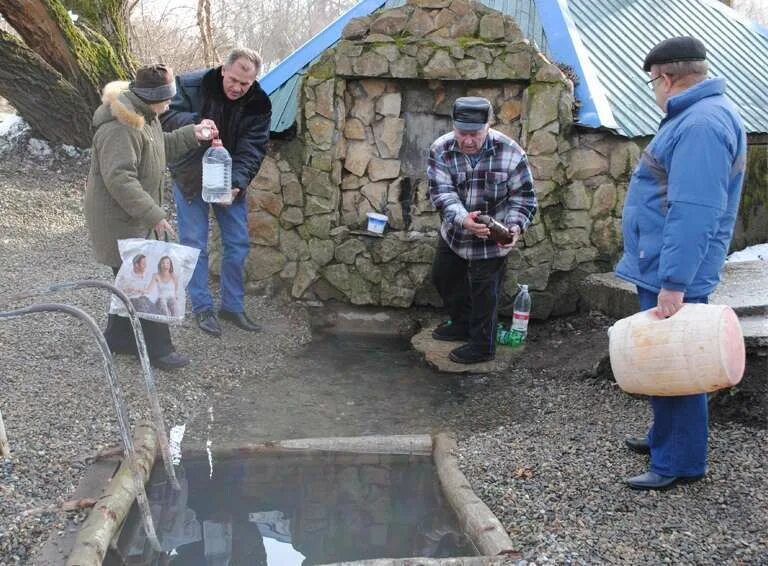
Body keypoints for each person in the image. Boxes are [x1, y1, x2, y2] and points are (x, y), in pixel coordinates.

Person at [616, 37, 746, 490]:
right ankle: (663, 438)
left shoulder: (700, 125)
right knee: (663, 356)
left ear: (665, 78)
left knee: (677, 362)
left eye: (653, 83)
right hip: (660, 264)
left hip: (670, 272)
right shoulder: (696, 117)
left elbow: (693, 211)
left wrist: (674, 282)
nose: (654, 91)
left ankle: (678, 463)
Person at [84, 64, 218, 370]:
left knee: (127, 280)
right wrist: (154, 214)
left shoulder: (145, 114)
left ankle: (118, 339)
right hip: (118, 218)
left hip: (131, 215)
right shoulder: (121, 126)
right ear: (151, 96)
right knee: (146, 280)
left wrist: (191, 134)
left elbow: (158, 149)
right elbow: (120, 179)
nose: (170, 105)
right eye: (167, 99)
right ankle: (161, 350)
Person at [161, 48, 272, 337]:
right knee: (194, 243)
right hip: (191, 175)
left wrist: (237, 183)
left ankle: (232, 306)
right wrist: (195, 124)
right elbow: (165, 117)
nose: (237, 88)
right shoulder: (190, 85)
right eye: (233, 79)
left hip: (228, 176)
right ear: (224, 69)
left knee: (238, 243)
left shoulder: (259, 103)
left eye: (244, 84)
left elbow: (253, 147)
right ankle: (202, 307)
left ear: (254, 81)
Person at [427, 97, 537, 364]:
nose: (467, 141)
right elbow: (442, 193)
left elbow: (524, 198)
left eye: (474, 134)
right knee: (444, 278)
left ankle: (482, 346)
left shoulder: (511, 152)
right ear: (453, 126)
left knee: (485, 294)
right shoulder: (440, 149)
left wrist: (513, 226)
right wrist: (464, 219)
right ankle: (462, 324)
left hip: (493, 238)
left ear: (489, 126)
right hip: (456, 232)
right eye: (461, 133)